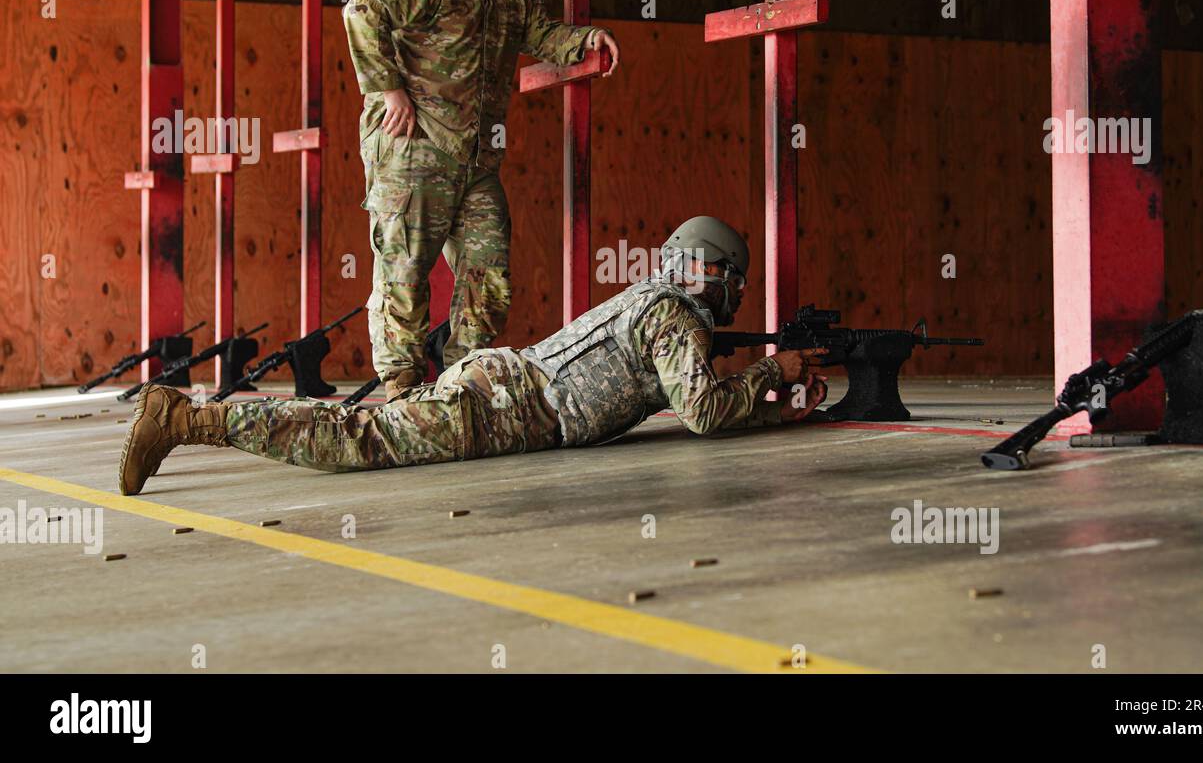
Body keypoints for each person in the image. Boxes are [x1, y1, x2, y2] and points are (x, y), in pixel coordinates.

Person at [118, 217, 828, 495]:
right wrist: (774, 373)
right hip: (502, 407)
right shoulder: (675, 317)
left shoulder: (654, 300)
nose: (734, 293)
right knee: (351, 443)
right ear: (710, 272)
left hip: (500, 390)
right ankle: (183, 418)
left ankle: (186, 419)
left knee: (360, 439)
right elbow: (701, 410)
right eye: (731, 279)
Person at [343, 0, 621, 401]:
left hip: (475, 161)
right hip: (413, 150)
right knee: (404, 271)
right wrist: (389, 89)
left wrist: (586, 39)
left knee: (488, 273)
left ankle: (461, 382)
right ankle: (402, 389)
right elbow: (361, 11)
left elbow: (542, 35)